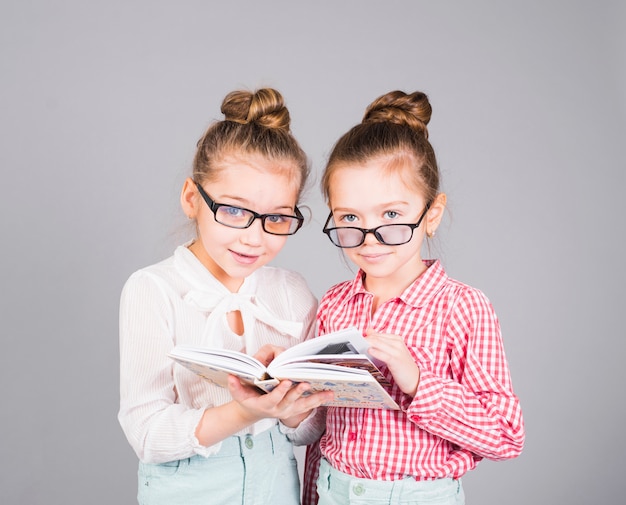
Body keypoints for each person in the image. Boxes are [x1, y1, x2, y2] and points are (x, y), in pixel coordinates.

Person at [303, 90, 525, 505]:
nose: (369, 238)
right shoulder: (334, 303)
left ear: (432, 214)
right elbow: (322, 430)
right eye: (349, 218)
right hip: (332, 489)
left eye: (391, 215)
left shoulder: (462, 307)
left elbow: (505, 435)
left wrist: (419, 382)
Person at [118, 88, 332, 505]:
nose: (254, 238)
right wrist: (245, 412)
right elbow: (146, 433)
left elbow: (310, 430)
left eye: (276, 218)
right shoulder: (154, 289)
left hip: (275, 486)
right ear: (191, 198)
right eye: (233, 210)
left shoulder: (290, 291)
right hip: (188, 487)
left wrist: (290, 406)